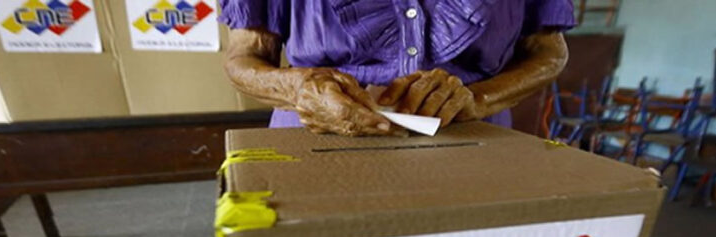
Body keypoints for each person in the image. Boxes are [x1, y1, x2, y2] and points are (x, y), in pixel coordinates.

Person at [219, 0, 576, 136]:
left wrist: (478, 98)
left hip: (475, 142)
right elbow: (243, 58)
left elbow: (549, 53)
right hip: (317, 136)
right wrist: (301, 88)